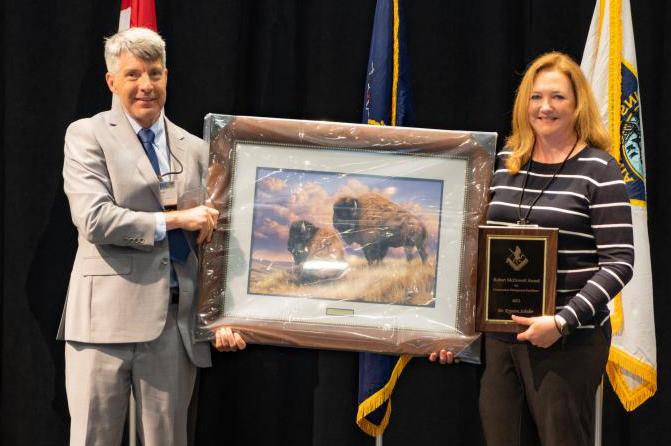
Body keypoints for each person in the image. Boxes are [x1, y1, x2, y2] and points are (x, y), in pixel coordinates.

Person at [430, 52, 634, 446]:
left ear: (578, 105)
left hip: (568, 341)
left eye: (557, 97)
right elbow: (476, 251)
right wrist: (455, 330)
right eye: (536, 97)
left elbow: (619, 262)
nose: (545, 107)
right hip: (502, 340)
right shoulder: (506, 161)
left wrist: (561, 322)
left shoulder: (599, 169)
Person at [58, 27, 245, 446]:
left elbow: (219, 242)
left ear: (167, 77)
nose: (146, 85)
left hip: (173, 329)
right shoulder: (87, 134)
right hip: (102, 325)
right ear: (112, 81)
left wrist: (225, 315)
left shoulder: (197, 149)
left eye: (155, 74)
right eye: (133, 75)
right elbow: (94, 219)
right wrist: (177, 221)